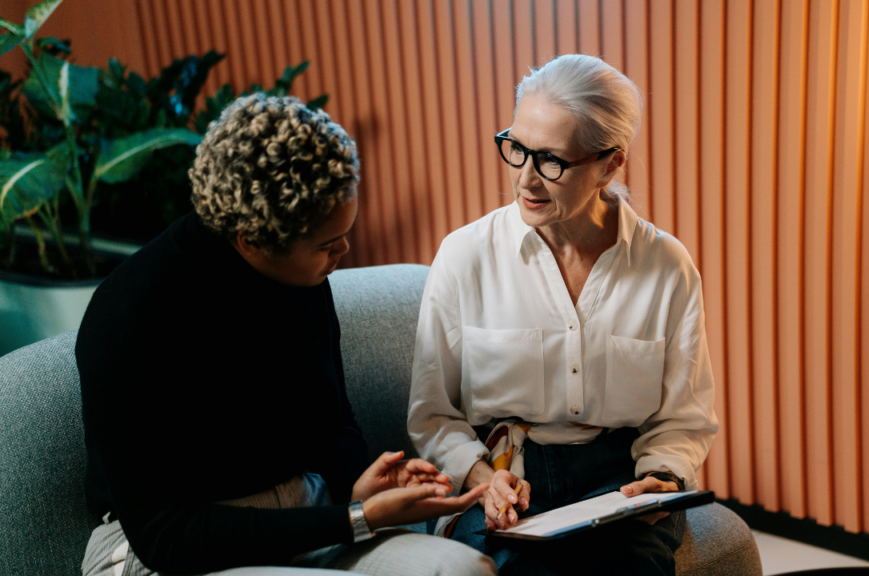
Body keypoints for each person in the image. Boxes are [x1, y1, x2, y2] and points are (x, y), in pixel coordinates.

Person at [77, 94, 495, 576]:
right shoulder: (130, 317)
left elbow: (332, 419)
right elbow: (166, 535)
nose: (345, 249)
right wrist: (354, 519)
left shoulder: (301, 279)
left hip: (306, 513)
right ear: (251, 242)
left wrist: (359, 486)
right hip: (174, 549)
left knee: (463, 570)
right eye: (325, 244)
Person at [406, 54, 719, 575]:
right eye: (517, 149)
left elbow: (682, 417)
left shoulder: (666, 266)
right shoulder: (465, 256)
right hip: (507, 472)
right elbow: (433, 414)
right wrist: (483, 476)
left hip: (617, 477)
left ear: (610, 163)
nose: (526, 179)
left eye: (551, 160)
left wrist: (663, 475)